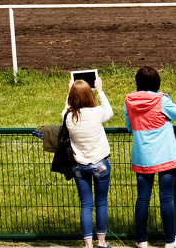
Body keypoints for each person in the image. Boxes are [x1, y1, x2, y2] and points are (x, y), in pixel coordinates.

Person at [124, 66, 176, 248]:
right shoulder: (162, 100)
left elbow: (129, 125)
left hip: (142, 156)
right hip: (166, 156)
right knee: (166, 197)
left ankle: (141, 240)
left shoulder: (128, 101)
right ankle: (170, 240)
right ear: (157, 83)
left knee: (142, 198)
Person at [65, 77, 114, 248]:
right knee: (101, 202)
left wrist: (69, 92)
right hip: (100, 163)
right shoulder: (97, 112)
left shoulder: (68, 117)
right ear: (89, 95)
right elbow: (110, 112)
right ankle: (101, 242)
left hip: (79, 165)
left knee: (86, 204)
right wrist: (100, 91)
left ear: (72, 97)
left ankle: (87, 244)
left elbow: (66, 109)